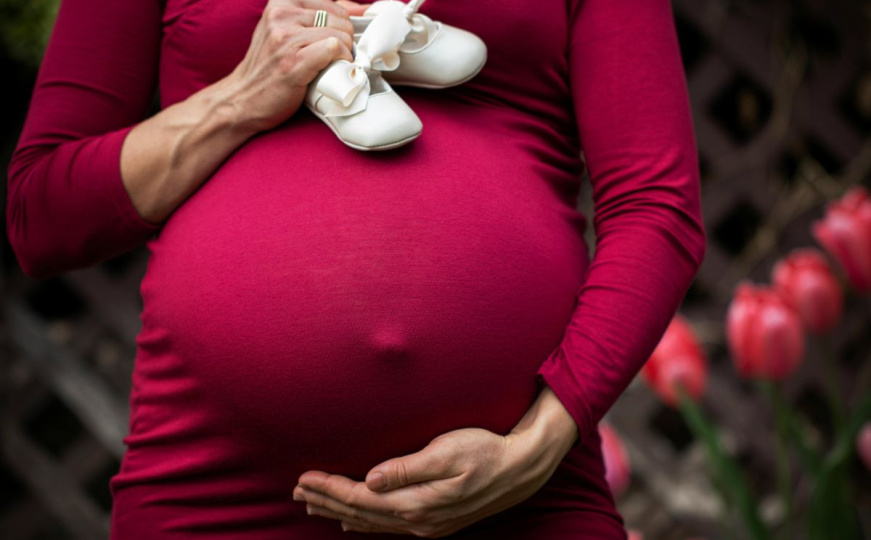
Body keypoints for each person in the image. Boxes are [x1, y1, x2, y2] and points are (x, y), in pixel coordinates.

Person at [5, 0, 706, 538]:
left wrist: (539, 443)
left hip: (519, 496)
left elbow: (655, 204)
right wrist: (239, 97)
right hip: (213, 489)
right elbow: (43, 214)